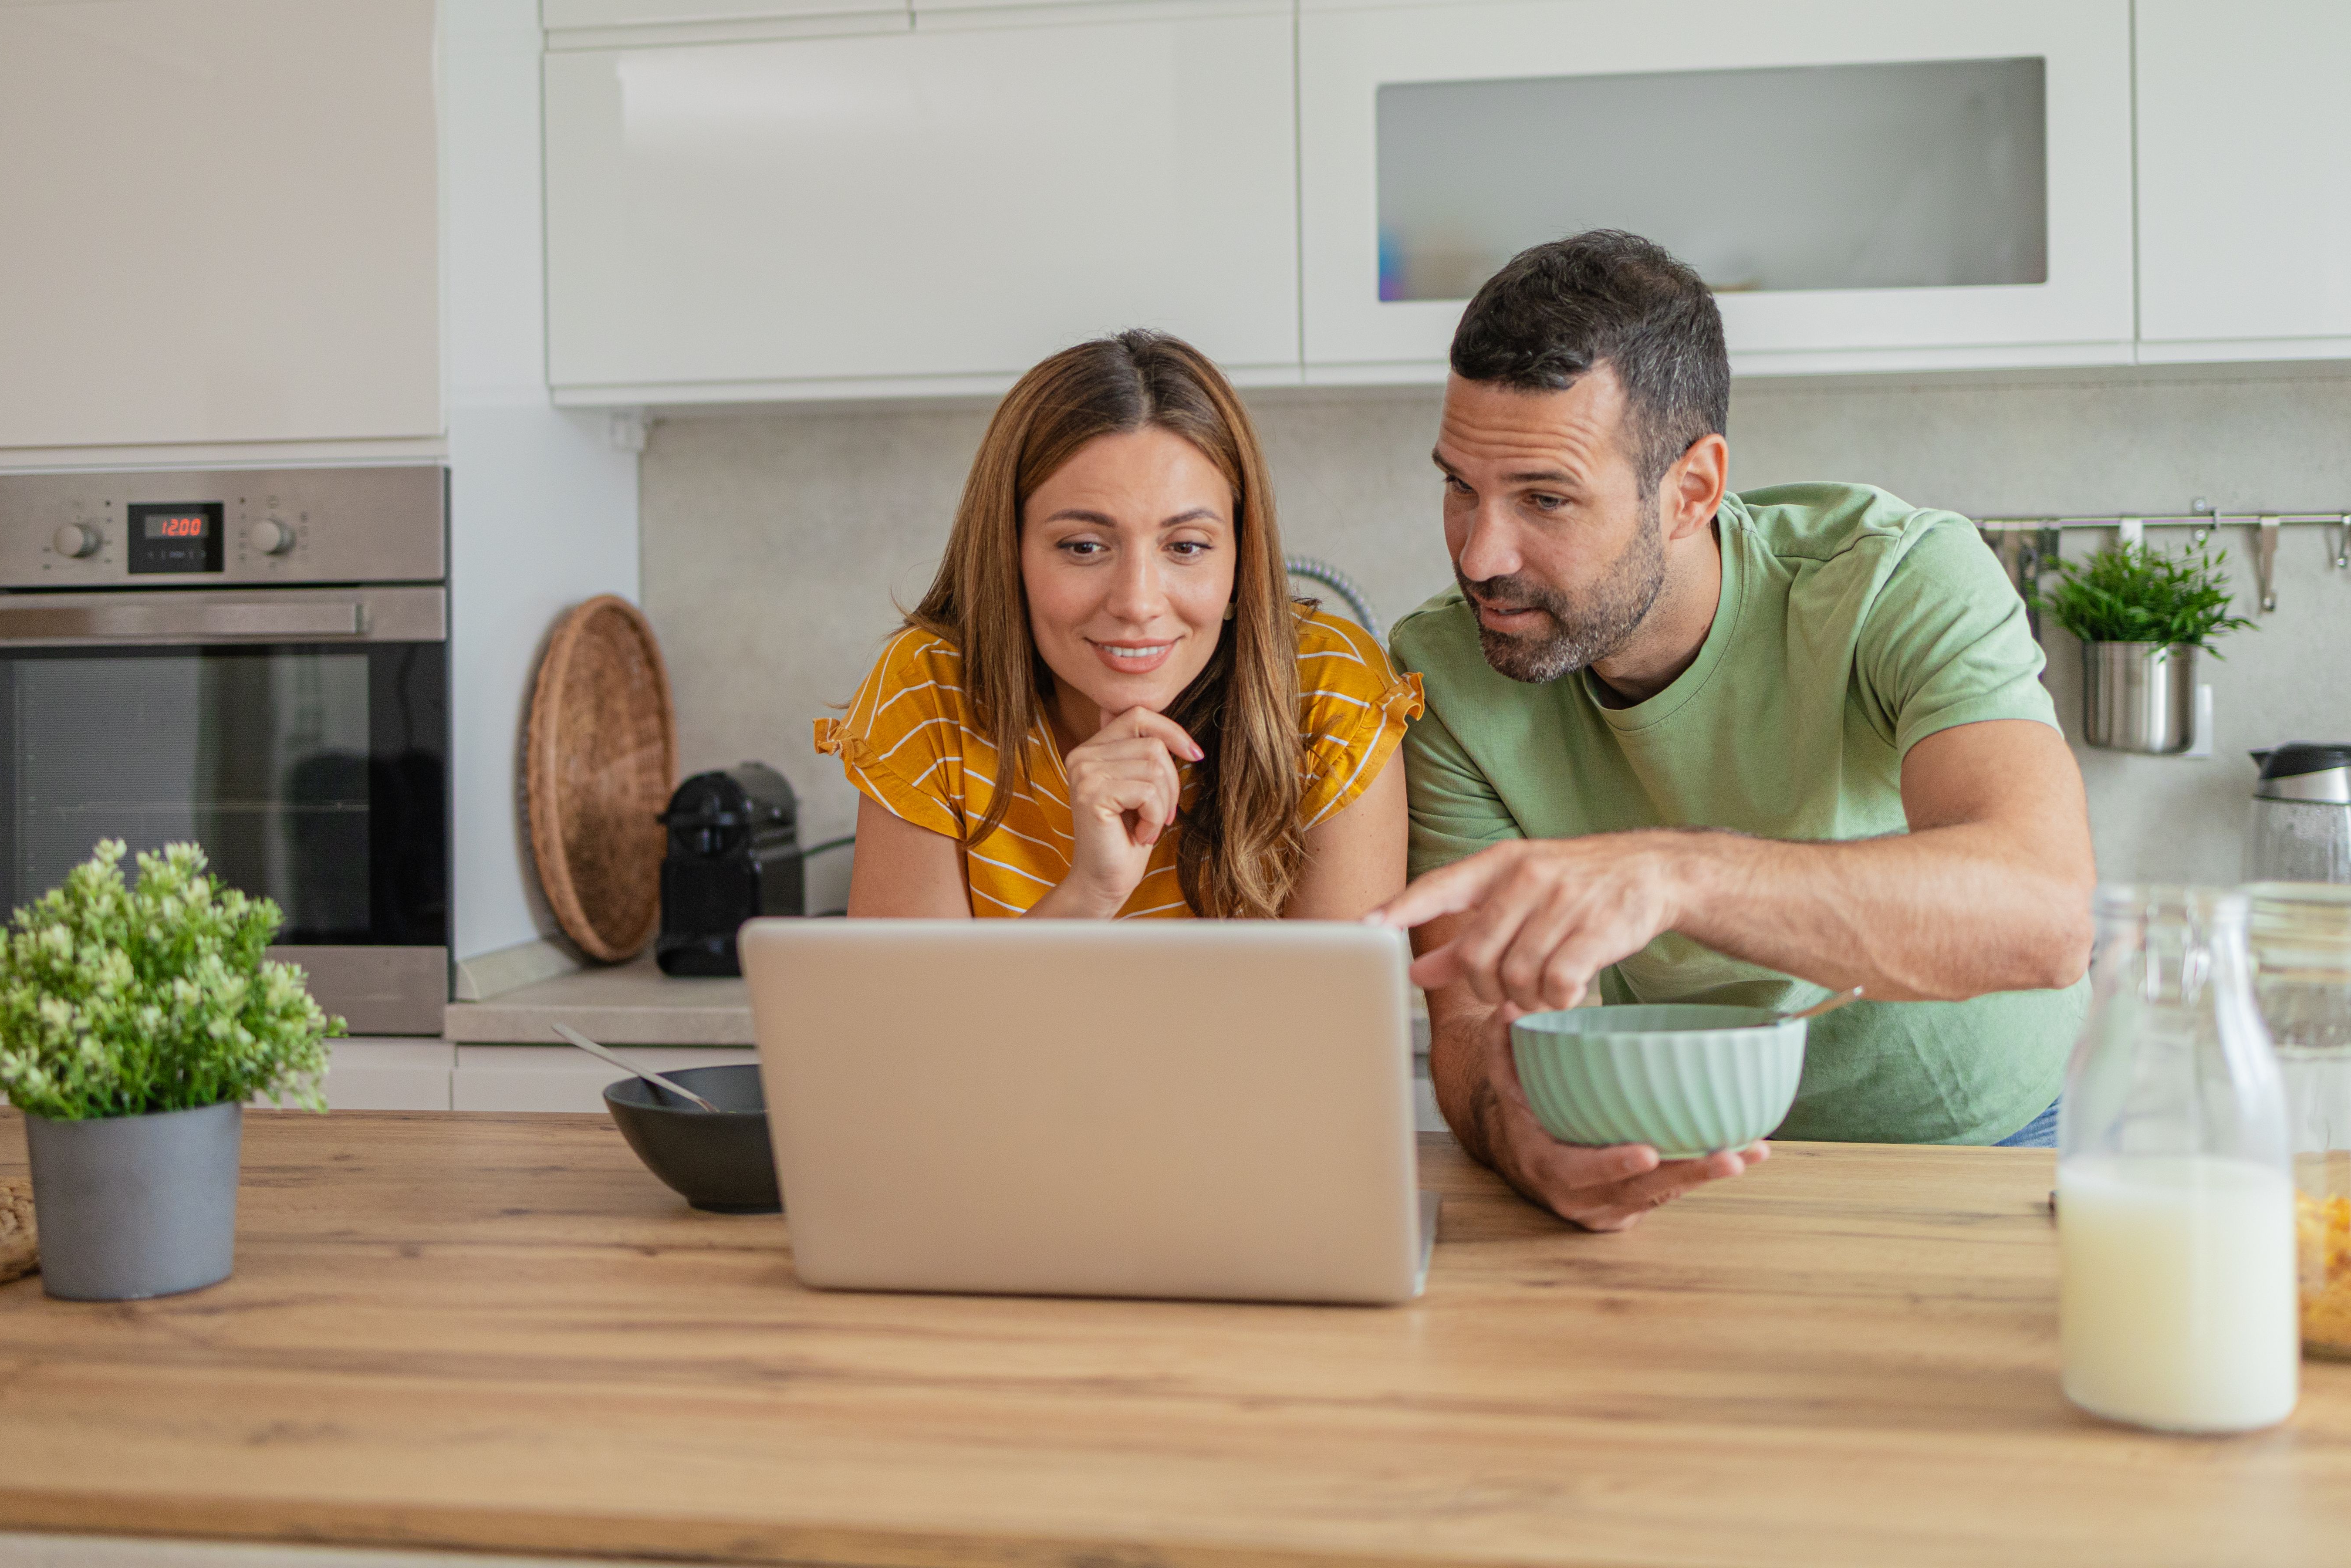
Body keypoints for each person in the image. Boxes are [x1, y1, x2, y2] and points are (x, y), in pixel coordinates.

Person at [1368, 230, 2095, 1232]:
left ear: (1693, 492)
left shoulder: (1896, 578)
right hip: (1668, 1172)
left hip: (1981, 1154)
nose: (1482, 551)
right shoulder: (1445, 676)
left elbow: (2045, 915)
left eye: (1545, 498)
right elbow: (1473, 1022)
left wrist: (1671, 874)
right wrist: (1523, 1144)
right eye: (1460, 486)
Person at [817, 331, 1420, 923]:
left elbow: (1332, 1022)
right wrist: (1089, 896)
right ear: (1010, 556)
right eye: (1083, 547)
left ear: (1242, 562)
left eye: (1186, 546)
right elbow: (906, 1024)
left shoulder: (1332, 699)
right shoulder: (930, 692)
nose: (1137, 602)